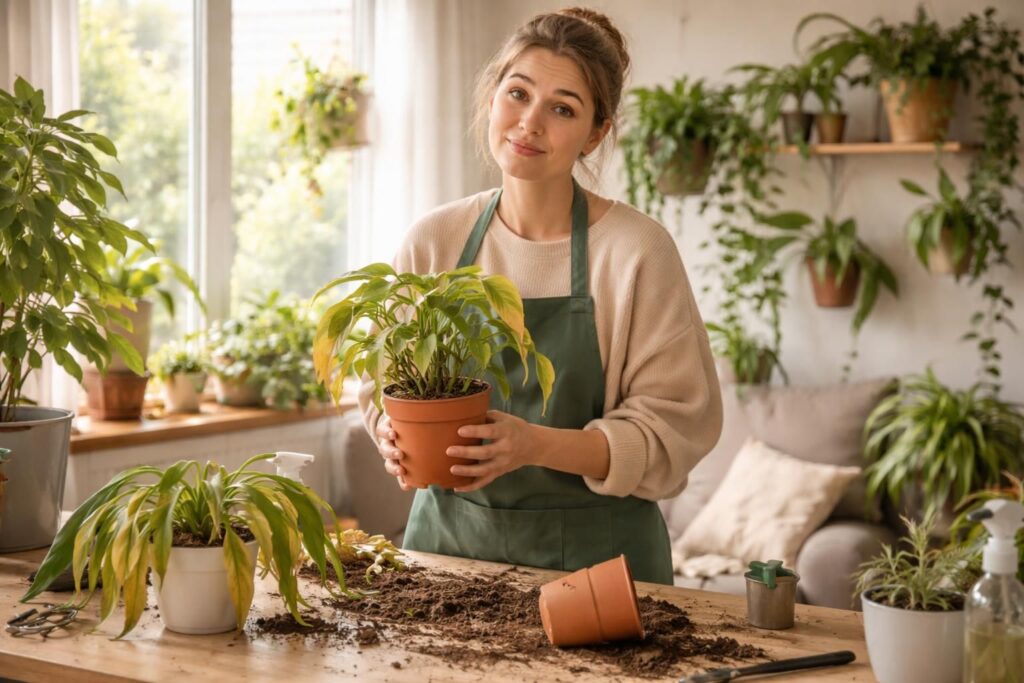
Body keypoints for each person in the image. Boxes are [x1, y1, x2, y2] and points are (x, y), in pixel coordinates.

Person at [359, 7, 722, 585]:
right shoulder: (436, 240)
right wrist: (389, 430)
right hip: (446, 555)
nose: (529, 123)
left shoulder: (635, 252)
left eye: (562, 108)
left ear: (596, 133)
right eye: (518, 93)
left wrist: (531, 444)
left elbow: (670, 431)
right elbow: (384, 382)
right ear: (492, 94)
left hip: (600, 563)